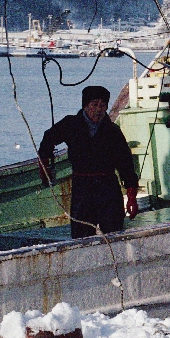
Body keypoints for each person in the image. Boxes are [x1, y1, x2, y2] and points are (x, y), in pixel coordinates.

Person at [38, 85, 139, 238]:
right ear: (85, 105)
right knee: (81, 236)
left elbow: (125, 164)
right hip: (82, 188)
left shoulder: (113, 132)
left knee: (114, 234)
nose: (99, 109)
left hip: (108, 189)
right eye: (94, 104)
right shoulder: (71, 124)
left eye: (103, 105)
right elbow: (48, 138)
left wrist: (131, 196)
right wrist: (44, 165)